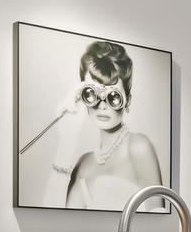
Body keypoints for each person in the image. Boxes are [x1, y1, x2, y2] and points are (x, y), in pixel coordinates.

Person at [41, 40, 163, 209]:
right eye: (92, 94)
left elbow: (156, 219)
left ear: (127, 101)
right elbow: (54, 222)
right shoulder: (84, 163)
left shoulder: (138, 146)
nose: (102, 105)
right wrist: (67, 139)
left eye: (114, 97)